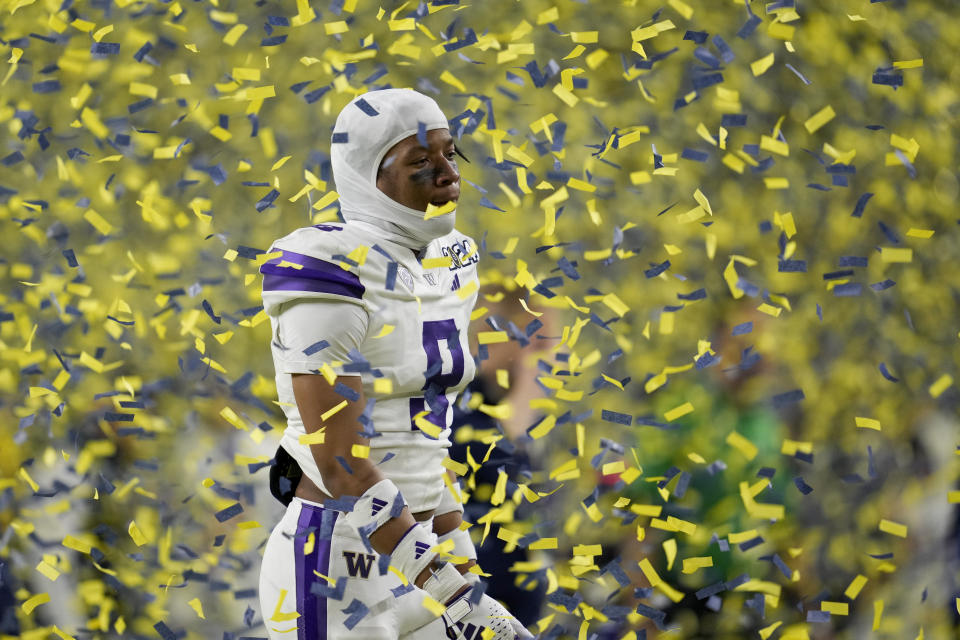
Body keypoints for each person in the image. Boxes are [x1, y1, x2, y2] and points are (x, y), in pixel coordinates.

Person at [256, 88, 532, 640]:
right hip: (336, 566)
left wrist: (467, 577)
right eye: (420, 161)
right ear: (368, 176)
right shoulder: (330, 270)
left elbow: (424, 448)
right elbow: (340, 465)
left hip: (421, 557)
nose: (447, 173)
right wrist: (454, 591)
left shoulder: (450, 265)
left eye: (451, 154)